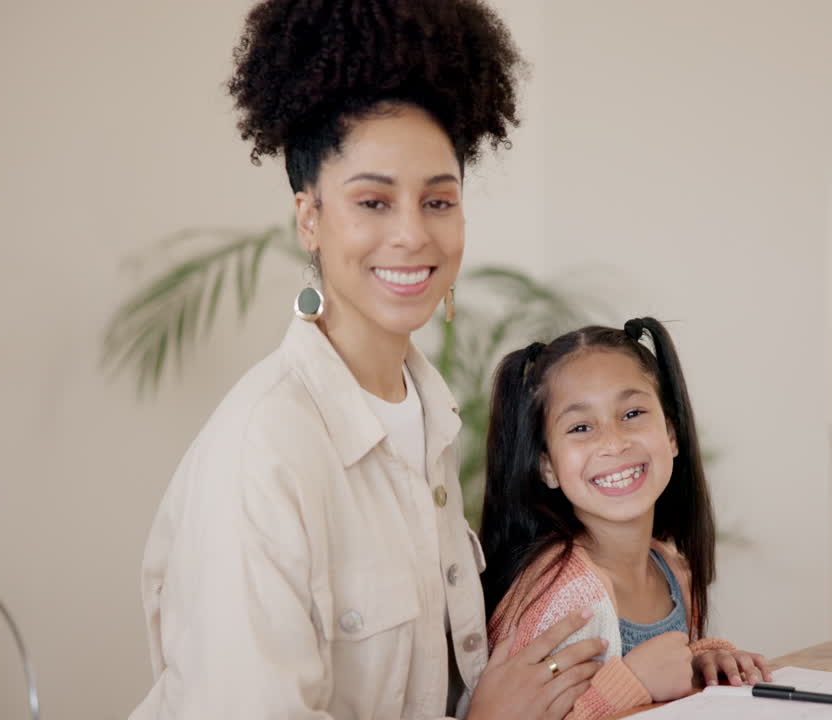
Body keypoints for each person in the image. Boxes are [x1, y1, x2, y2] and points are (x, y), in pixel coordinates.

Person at [129, 1, 605, 718]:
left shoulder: (430, 416)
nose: (412, 234)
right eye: (374, 202)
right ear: (310, 218)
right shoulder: (263, 452)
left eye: (438, 201)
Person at [478, 318, 773, 719]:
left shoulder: (672, 569)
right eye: (581, 427)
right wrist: (632, 680)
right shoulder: (562, 596)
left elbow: (666, 676)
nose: (613, 443)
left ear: (671, 434)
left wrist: (703, 658)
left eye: (632, 413)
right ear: (547, 466)